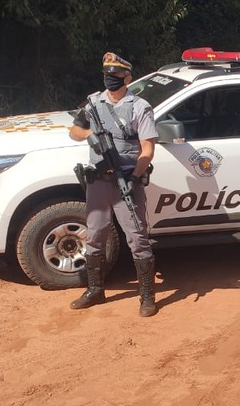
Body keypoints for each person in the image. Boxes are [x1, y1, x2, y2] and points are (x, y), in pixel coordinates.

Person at [67, 52, 159, 317]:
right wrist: (91, 135)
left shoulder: (139, 107)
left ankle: (146, 296)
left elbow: (147, 149)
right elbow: (74, 132)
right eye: (106, 75)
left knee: (137, 239)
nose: (110, 79)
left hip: (126, 182)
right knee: (94, 237)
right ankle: (95, 289)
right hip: (98, 183)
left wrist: (132, 178)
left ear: (127, 78)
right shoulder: (93, 102)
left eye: (115, 76)